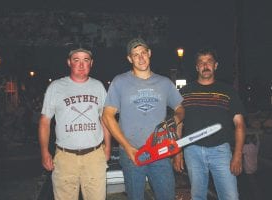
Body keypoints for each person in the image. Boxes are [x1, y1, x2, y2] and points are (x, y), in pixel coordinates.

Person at [102, 38, 184, 200]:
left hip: (160, 152)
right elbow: (107, 116)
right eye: (135, 54)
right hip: (132, 153)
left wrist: (177, 118)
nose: (140, 58)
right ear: (129, 59)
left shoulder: (164, 82)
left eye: (143, 53)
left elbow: (180, 108)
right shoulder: (120, 82)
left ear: (150, 53)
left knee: (167, 196)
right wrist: (127, 146)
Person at [38, 47, 111, 200]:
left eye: (85, 60)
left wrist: (108, 147)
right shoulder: (56, 87)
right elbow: (45, 122)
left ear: (91, 63)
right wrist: (44, 152)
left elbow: (105, 120)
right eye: (76, 60)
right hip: (65, 158)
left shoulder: (98, 86)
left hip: (94, 156)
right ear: (69, 62)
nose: (81, 64)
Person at [178, 47, 246, 200]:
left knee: (231, 196)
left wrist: (237, 155)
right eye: (201, 62)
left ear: (216, 65)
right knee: (197, 196)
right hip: (192, 151)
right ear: (197, 67)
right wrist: (177, 153)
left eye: (209, 61)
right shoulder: (184, 92)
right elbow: (179, 124)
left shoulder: (228, 91)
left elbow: (240, 125)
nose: (205, 65)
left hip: (221, 150)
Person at [242, 133, 261, 200]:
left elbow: (239, 151)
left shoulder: (246, 147)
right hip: (254, 167)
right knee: (252, 181)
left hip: (248, 168)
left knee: (251, 183)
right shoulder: (256, 146)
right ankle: (255, 194)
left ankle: (256, 196)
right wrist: (257, 137)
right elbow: (258, 142)